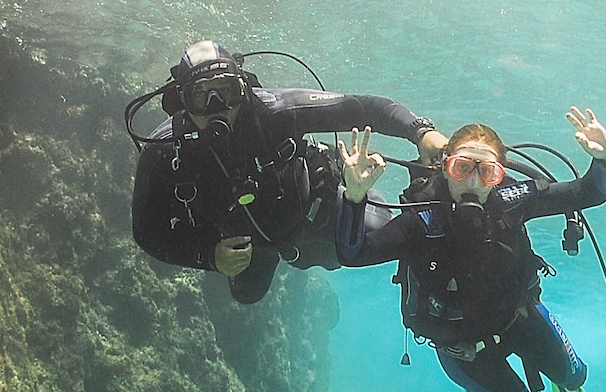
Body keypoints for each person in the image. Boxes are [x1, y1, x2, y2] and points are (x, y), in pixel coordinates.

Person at [335, 108, 606, 392]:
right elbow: (354, 253)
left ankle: (557, 387)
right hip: (460, 346)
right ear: (444, 166)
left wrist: (605, 158)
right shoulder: (421, 218)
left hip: (517, 318)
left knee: (575, 377)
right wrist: (354, 197)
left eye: (486, 172)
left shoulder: (512, 201)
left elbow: (591, 192)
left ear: (500, 176)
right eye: (462, 167)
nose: (473, 181)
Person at [130, 41, 448, 304]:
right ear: (181, 101)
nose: (217, 106)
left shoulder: (277, 112)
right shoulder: (163, 151)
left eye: (226, 91)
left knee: (373, 239)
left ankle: (359, 195)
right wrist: (209, 256)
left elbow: (365, 107)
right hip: (248, 247)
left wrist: (421, 132)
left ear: (243, 89)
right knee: (247, 297)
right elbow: (147, 232)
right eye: (201, 95)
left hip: (313, 213)